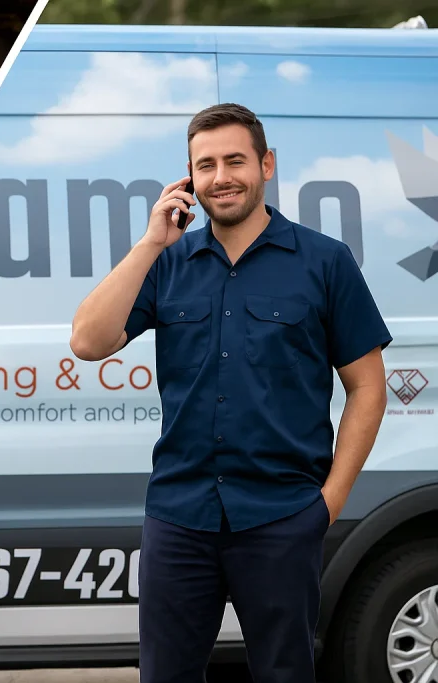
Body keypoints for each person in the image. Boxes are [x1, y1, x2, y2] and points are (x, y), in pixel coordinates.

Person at [69, 103, 391, 683]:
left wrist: (329, 502)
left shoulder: (325, 262)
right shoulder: (169, 265)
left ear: (266, 165)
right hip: (180, 516)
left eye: (235, 160)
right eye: (206, 165)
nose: (222, 177)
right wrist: (150, 244)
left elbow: (367, 387)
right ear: (188, 179)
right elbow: (89, 341)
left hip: (283, 515)